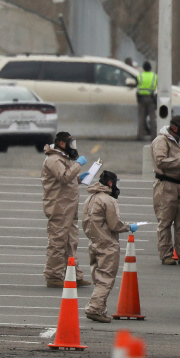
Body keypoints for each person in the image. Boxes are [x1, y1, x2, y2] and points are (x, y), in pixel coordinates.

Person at [82, 171, 138, 323]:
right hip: (107, 243)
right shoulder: (108, 200)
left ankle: (100, 308)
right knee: (106, 278)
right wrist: (128, 227)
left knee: (98, 277)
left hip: (93, 241)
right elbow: (114, 224)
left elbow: (85, 222)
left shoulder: (90, 198)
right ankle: (94, 308)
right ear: (110, 183)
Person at [41, 132, 89, 288]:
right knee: (57, 242)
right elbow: (64, 177)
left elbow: (68, 179)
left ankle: (74, 275)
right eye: (70, 143)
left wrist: (80, 178)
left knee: (71, 242)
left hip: (68, 207)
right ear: (62, 144)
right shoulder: (53, 160)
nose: (72, 147)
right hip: (59, 207)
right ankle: (54, 276)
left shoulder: (62, 158)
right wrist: (78, 165)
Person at [150, 115, 180, 266]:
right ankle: (166, 255)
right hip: (166, 185)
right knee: (165, 221)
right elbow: (160, 161)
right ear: (175, 128)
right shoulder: (161, 141)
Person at [136, 61, 158, 140]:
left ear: (144, 68)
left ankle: (140, 135)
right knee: (152, 118)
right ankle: (153, 136)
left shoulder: (140, 76)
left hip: (141, 98)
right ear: (150, 68)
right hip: (151, 98)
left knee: (141, 117)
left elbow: (137, 86)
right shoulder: (154, 76)